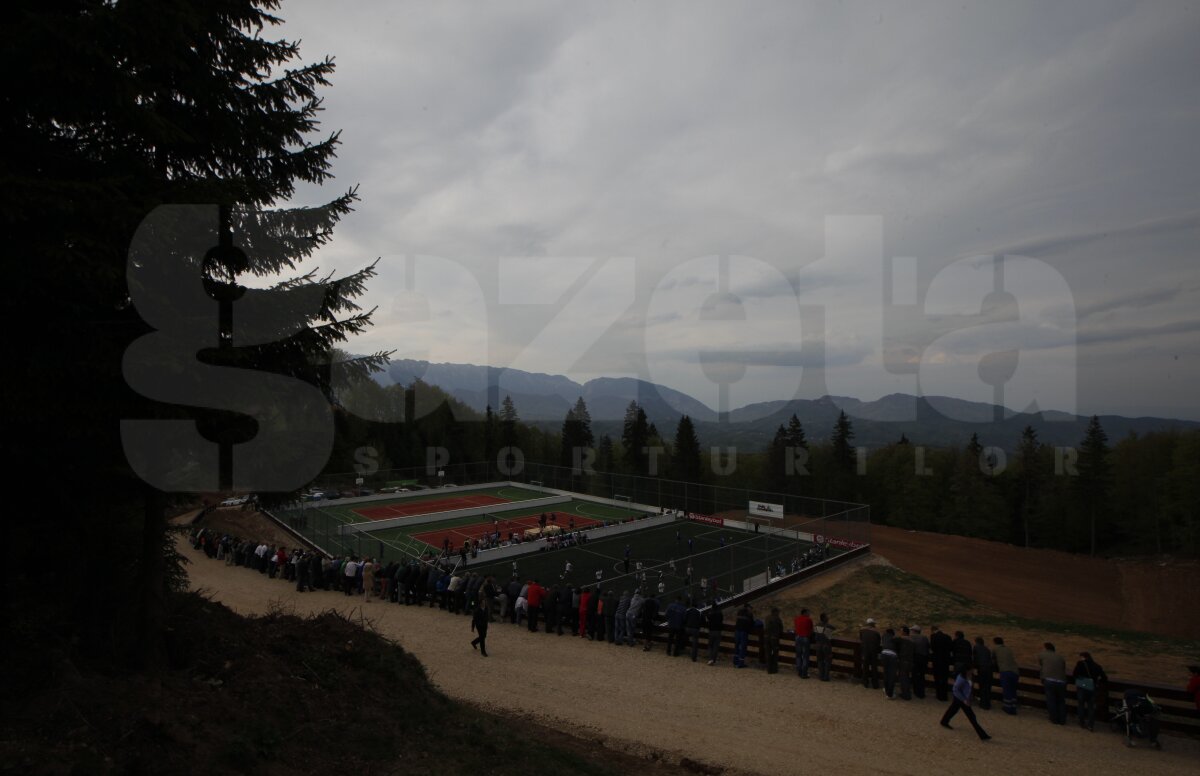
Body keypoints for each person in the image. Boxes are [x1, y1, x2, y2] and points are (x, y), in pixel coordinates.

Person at [939, 666, 991, 741]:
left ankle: (944, 721)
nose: (973, 670)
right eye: (972, 669)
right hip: (961, 699)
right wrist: (964, 700)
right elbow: (955, 689)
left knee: (953, 710)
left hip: (961, 698)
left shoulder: (968, 676)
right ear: (967, 670)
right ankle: (983, 735)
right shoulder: (961, 679)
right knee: (971, 716)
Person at [1072, 651, 1108, 731]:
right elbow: (1104, 678)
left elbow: (1075, 674)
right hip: (1092, 687)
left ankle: (1082, 722)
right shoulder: (1097, 666)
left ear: (1083, 657)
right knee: (1091, 707)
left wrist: (1079, 679)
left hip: (1082, 686)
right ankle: (1091, 725)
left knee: (1081, 705)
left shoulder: (1080, 664)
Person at [1038, 642, 1068, 725]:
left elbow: (1041, 664)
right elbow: (1063, 667)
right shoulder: (1060, 657)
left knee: (1051, 700)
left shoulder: (1042, 654)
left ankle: (1053, 718)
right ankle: (1062, 720)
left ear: (1046, 648)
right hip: (1061, 681)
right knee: (1061, 701)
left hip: (1049, 680)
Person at [992, 636, 1019, 715]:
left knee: (1007, 690)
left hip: (1005, 671)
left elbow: (993, 659)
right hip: (1015, 672)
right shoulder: (1009, 649)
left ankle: (1007, 707)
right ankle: (1013, 707)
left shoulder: (995, 649)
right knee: (1013, 690)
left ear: (995, 642)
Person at [930, 626, 953, 701]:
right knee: (944, 678)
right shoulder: (948, 637)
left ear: (933, 630)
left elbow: (932, 647)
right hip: (945, 660)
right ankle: (944, 695)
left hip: (937, 660)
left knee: (937, 677)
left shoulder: (933, 636)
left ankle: (939, 694)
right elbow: (950, 648)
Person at [859, 618, 881, 689]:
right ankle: (875, 684)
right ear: (873, 624)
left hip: (865, 650)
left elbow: (861, 639)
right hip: (874, 651)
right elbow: (878, 642)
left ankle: (865, 683)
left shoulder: (862, 630)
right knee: (874, 667)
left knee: (865, 666)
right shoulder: (877, 632)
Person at [973, 636, 993, 710]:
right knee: (987, 686)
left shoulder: (976, 647)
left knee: (982, 685)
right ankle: (987, 704)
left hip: (982, 668)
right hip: (989, 669)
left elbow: (975, 658)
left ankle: (983, 703)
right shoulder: (987, 649)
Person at [813, 613, 835, 681]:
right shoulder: (828, 626)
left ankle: (821, 676)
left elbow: (816, 636)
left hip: (818, 645)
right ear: (824, 618)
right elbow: (829, 636)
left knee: (820, 661)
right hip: (826, 645)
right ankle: (826, 677)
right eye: (827, 617)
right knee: (828, 661)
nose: (828, 618)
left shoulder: (817, 625)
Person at [793, 608, 814, 678]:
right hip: (805, 638)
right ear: (804, 613)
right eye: (808, 612)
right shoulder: (809, 620)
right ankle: (804, 673)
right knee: (805, 656)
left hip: (798, 638)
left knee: (798, 655)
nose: (809, 614)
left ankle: (799, 671)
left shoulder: (796, 619)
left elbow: (795, 628)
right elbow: (811, 630)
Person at [910, 625, 929, 699]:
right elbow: (928, 647)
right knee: (921, 675)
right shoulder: (924, 638)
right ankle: (921, 692)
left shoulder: (912, 637)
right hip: (923, 658)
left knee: (915, 674)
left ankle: (916, 691)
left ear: (914, 631)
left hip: (915, 658)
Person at [733, 603, 754, 668]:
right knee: (742, 647)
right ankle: (741, 663)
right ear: (747, 607)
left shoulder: (739, 612)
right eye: (750, 608)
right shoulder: (749, 614)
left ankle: (735, 661)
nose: (751, 609)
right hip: (744, 631)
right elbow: (752, 623)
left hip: (737, 630)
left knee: (736, 645)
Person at [880, 628, 898, 698]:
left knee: (885, 672)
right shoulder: (895, 639)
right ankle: (890, 694)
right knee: (891, 675)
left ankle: (885, 688)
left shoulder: (884, 636)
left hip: (884, 654)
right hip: (892, 656)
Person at [764, 608, 783, 674]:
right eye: (778, 612)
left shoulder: (767, 618)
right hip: (774, 638)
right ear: (775, 612)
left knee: (768, 653)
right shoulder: (777, 619)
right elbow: (781, 629)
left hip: (766, 637)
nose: (779, 613)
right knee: (775, 654)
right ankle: (774, 669)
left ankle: (769, 669)